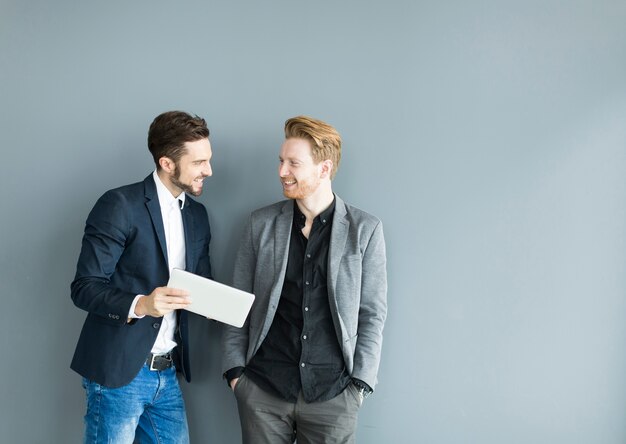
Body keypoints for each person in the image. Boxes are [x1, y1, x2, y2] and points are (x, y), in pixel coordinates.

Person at [222, 115, 388, 443]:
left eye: (293, 163)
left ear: (323, 169)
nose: (282, 171)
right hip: (263, 391)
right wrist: (236, 374)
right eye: (281, 161)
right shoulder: (261, 224)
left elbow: (372, 314)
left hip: (335, 395)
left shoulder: (365, 230)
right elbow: (237, 304)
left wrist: (360, 385)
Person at [70, 110, 213, 443]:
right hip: (118, 373)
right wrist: (142, 304)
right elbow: (84, 287)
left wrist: (218, 304)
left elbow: (201, 283)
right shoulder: (119, 204)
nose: (208, 170)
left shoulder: (198, 215)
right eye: (199, 162)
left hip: (167, 374)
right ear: (166, 163)